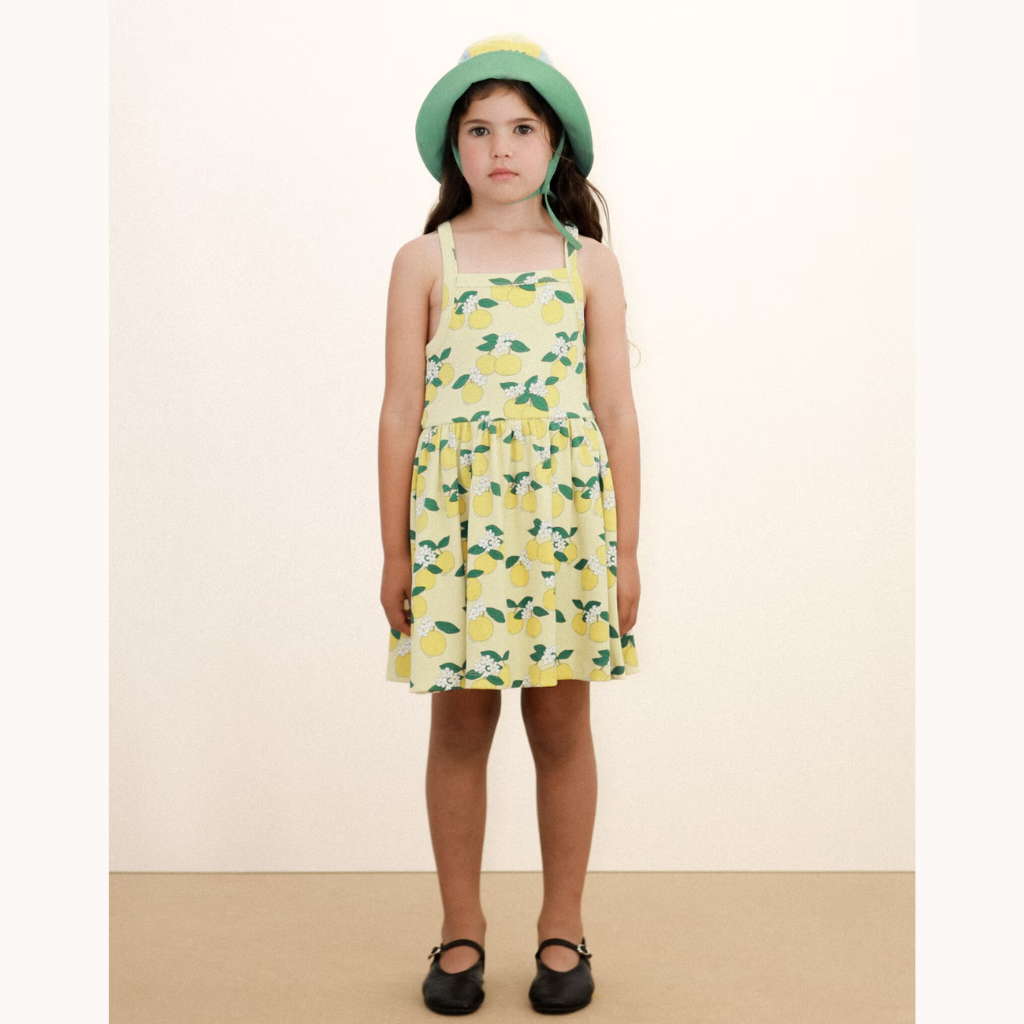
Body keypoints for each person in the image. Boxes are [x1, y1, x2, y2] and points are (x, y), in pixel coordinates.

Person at [377, 34, 642, 1014]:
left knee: (562, 722)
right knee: (459, 725)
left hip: (564, 529)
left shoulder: (588, 265)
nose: (501, 147)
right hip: (456, 531)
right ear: (453, 149)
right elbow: (400, 411)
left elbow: (615, 410)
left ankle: (561, 926)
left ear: (555, 145)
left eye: (522, 128)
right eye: (480, 129)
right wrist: (395, 550)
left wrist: (625, 552)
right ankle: (461, 928)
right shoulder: (423, 260)